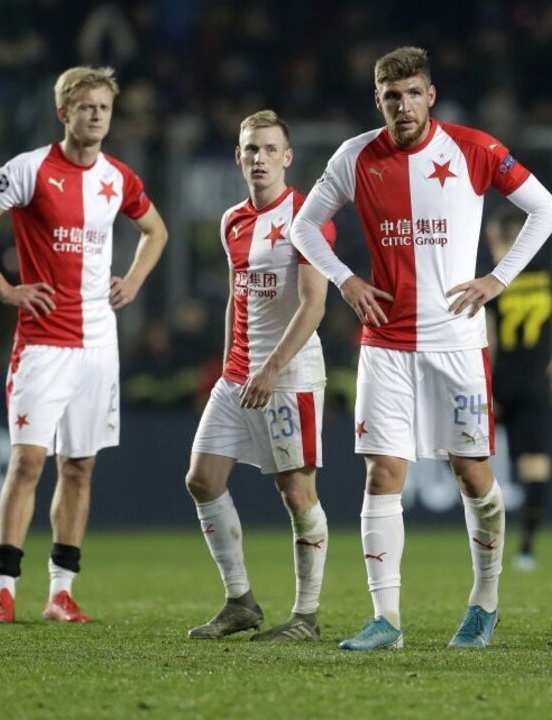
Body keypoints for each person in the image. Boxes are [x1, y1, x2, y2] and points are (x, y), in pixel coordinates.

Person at [291, 46, 552, 651]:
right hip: (385, 342)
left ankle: (484, 602)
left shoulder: (474, 149)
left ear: (431, 95)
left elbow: (546, 209)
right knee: (382, 472)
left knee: (472, 474)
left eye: (414, 93)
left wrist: (499, 278)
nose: (404, 105)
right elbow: (303, 225)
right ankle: (385, 620)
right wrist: (345, 279)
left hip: (456, 342)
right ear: (378, 100)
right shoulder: (354, 157)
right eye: (392, 96)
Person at [0, 66, 169, 624]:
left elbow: (157, 230)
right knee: (27, 463)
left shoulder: (117, 177)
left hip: (98, 342)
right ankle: (3, 590)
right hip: (43, 342)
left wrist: (134, 280)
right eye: (86, 107)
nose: (96, 116)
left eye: (104, 108)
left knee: (79, 467)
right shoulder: (30, 169)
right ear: (63, 112)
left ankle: (61, 592)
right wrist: (5, 289)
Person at [184, 110, 337, 642]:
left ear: (287, 158)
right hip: (239, 375)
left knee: (296, 492)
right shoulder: (231, 220)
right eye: (251, 149)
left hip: (290, 375)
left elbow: (314, 305)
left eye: (271, 149)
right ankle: (240, 603)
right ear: (238, 156)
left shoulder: (308, 218)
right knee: (202, 479)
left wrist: (272, 367)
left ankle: (306, 618)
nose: (260, 158)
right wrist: (228, 365)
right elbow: (237, 295)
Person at [483, 207, 552, 571]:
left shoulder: (495, 279)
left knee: (470, 457)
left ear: (496, 238)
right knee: (535, 464)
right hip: (536, 382)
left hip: (501, 381)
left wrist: (485, 386)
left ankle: (487, 540)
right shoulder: (546, 276)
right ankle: (526, 549)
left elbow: (489, 339)